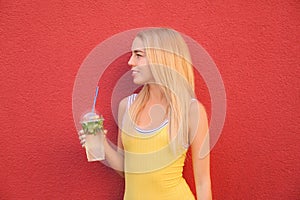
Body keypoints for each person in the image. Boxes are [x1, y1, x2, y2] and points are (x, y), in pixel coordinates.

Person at [78, 28, 212, 200]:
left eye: (138, 55)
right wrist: (102, 144)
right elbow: (127, 170)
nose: (130, 62)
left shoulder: (191, 111)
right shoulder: (126, 106)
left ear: (162, 58)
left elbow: (203, 183)